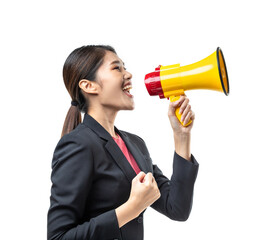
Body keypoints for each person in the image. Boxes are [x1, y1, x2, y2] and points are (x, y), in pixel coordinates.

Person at [47, 45, 199, 240]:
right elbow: (58, 237)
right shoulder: (78, 145)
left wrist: (182, 136)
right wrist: (131, 208)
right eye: (117, 68)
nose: (128, 74)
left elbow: (177, 208)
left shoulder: (135, 144)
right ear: (89, 86)